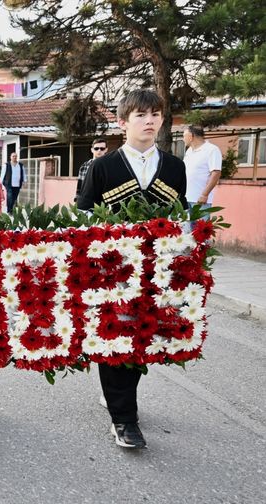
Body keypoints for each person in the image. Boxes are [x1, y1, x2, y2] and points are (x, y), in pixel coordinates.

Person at [77, 89, 187, 450]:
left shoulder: (174, 167)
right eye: (141, 115)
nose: (150, 120)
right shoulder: (102, 167)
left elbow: (180, 218)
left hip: (154, 274)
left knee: (141, 338)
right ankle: (124, 420)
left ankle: (117, 396)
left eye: (155, 113)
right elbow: (83, 215)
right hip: (112, 273)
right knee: (114, 335)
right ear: (123, 122)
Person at [182, 125, 222, 212]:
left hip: (200, 200)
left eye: (184, 136)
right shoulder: (189, 151)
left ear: (191, 136)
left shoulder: (212, 150)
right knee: (185, 225)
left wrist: (204, 195)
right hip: (186, 198)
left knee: (200, 225)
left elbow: (216, 173)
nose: (183, 139)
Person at [74, 138, 108, 202]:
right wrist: (77, 201)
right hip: (87, 201)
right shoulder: (84, 166)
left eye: (102, 148)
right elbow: (80, 186)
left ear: (106, 150)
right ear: (92, 150)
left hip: (104, 202)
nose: (99, 151)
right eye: (96, 148)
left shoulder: (109, 166)